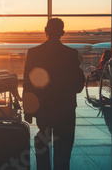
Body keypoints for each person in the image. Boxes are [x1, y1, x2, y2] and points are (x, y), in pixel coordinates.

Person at [23, 18, 85, 170]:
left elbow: (28, 84)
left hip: (43, 108)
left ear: (45, 30)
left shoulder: (34, 52)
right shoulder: (71, 54)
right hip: (65, 109)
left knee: (42, 143)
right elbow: (78, 85)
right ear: (62, 33)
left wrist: (28, 109)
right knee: (63, 150)